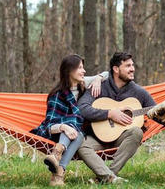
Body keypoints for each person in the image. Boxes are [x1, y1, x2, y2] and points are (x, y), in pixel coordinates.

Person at [77, 52, 156, 184]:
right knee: (79, 142)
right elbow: (81, 108)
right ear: (116, 69)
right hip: (97, 138)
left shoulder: (138, 91)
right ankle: (109, 178)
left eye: (132, 65)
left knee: (137, 132)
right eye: (128, 66)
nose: (132, 69)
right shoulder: (99, 87)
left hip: (121, 139)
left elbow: (156, 109)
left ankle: (107, 176)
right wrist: (109, 114)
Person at [30, 54, 108, 186]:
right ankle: (58, 164)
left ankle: (57, 163)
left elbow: (108, 74)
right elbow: (49, 125)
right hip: (55, 135)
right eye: (80, 68)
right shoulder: (56, 95)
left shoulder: (83, 83)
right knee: (73, 124)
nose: (83, 71)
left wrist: (98, 79)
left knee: (78, 134)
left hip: (75, 135)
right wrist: (63, 127)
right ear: (69, 70)